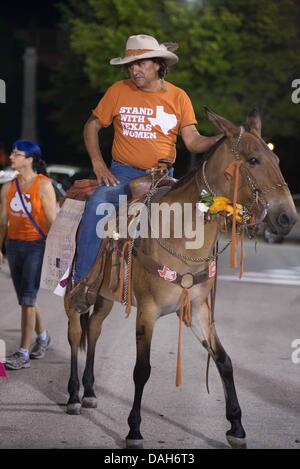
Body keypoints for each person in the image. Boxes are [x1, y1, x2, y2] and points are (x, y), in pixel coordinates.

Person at [74, 34, 223, 291]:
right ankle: (83, 283)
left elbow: (192, 141)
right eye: (131, 65)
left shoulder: (178, 97)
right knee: (95, 208)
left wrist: (221, 137)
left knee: (198, 214)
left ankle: (185, 284)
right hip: (121, 173)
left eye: (141, 63)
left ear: (157, 64)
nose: (134, 69)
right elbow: (92, 126)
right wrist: (98, 164)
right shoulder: (118, 91)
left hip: (163, 177)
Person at [0, 140, 56, 370]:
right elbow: (2, 222)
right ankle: (43, 336)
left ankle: (23, 352)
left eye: (17, 154)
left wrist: (56, 251)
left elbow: (52, 220)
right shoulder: (8, 187)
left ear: (30, 159)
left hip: (36, 245)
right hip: (14, 246)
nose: (12, 158)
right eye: (13, 154)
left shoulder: (43, 185)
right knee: (26, 298)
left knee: (27, 299)